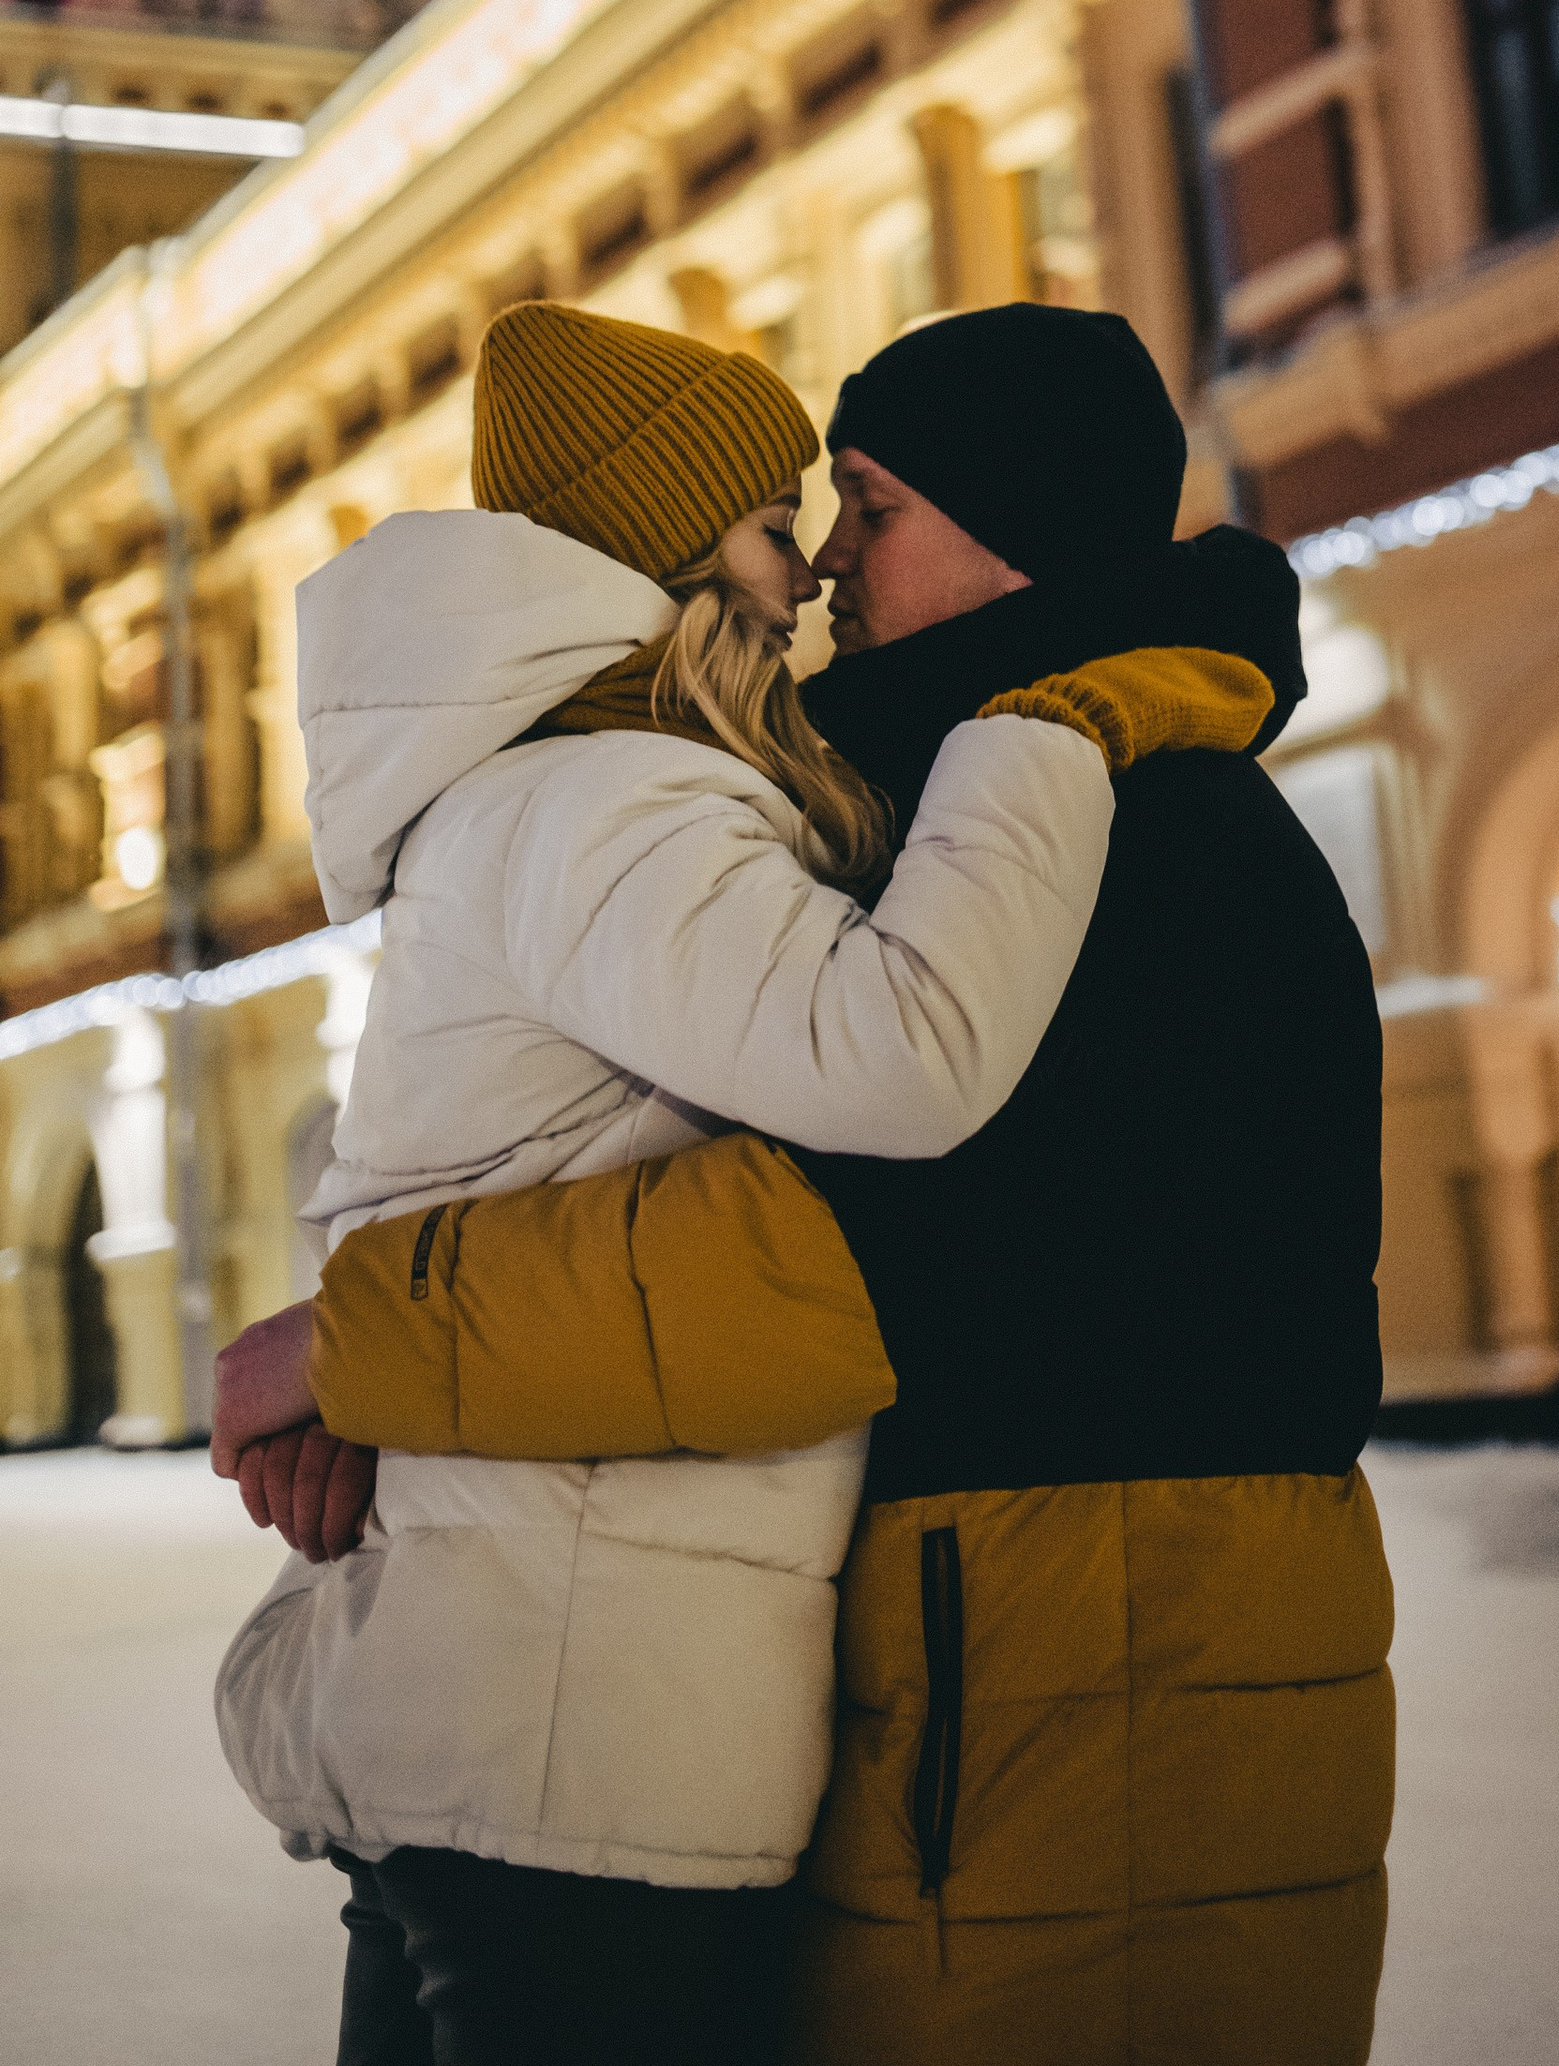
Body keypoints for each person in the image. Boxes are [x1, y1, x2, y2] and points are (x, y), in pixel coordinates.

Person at [220, 302, 1394, 2066]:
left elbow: (838, 1262)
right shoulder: (898, 816)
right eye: (806, 516)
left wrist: (363, 1348)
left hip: (1096, 1649)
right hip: (968, 1664)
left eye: (868, 507)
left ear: (1019, 523)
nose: (827, 566)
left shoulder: (1138, 836)